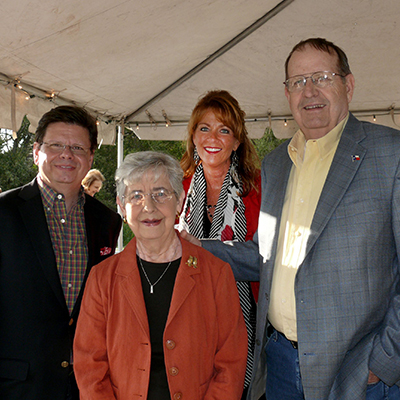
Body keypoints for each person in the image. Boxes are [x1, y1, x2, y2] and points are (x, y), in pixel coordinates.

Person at [182, 38, 400, 399]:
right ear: (287, 94)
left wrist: (385, 360)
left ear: (348, 85)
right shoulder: (277, 164)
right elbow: (265, 255)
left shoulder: (389, 153)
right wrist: (197, 246)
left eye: (322, 77)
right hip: (281, 363)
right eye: (297, 82)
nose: (309, 91)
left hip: (357, 372)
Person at [73, 151, 248, 400]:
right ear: (122, 207)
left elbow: (231, 364)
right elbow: (89, 365)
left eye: (161, 193)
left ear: (179, 202)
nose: (149, 206)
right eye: (136, 195)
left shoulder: (217, 273)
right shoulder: (102, 278)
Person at [0, 105, 122, 400]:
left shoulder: (108, 221)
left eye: (77, 147)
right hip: (15, 386)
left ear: (91, 157)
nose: (67, 154)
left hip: (83, 386)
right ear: (36, 152)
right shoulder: (3, 212)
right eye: (56, 145)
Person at [179, 89, 261, 399]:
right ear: (193, 137)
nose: (213, 137)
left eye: (224, 129)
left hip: (241, 321)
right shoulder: (174, 184)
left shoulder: (259, 188)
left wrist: (198, 247)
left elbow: (262, 260)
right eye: (204, 128)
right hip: (184, 322)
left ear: (237, 141)